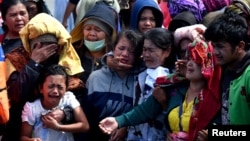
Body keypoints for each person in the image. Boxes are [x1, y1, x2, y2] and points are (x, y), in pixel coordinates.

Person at [99, 35, 222, 141]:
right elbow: (145, 110)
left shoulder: (216, 96)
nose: (189, 63)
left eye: (196, 60)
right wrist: (118, 121)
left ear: (208, 65)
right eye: (189, 58)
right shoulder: (174, 87)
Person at [85, 29, 143, 141]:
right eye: (121, 48)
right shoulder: (95, 78)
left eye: (132, 51)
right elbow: (86, 116)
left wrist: (125, 126)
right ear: (113, 49)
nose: (125, 54)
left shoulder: (140, 79)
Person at [126, 28, 176, 141]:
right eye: (144, 49)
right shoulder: (140, 75)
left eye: (151, 50)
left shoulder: (174, 81)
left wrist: (163, 102)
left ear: (167, 51)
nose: (146, 55)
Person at [204, 11, 250, 125]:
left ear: (240, 46)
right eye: (213, 46)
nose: (215, 52)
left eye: (220, 46)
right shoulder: (225, 70)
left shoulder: (248, 75)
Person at [20, 64, 89, 141]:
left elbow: (85, 126)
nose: (55, 91)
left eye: (60, 87)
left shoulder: (68, 98)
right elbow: (23, 137)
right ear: (41, 88)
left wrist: (57, 127)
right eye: (50, 86)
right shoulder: (32, 108)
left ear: (66, 88)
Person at [70, 1, 117, 99]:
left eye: (98, 30)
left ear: (108, 36)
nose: (91, 33)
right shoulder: (73, 55)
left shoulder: (115, 60)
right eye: (88, 29)